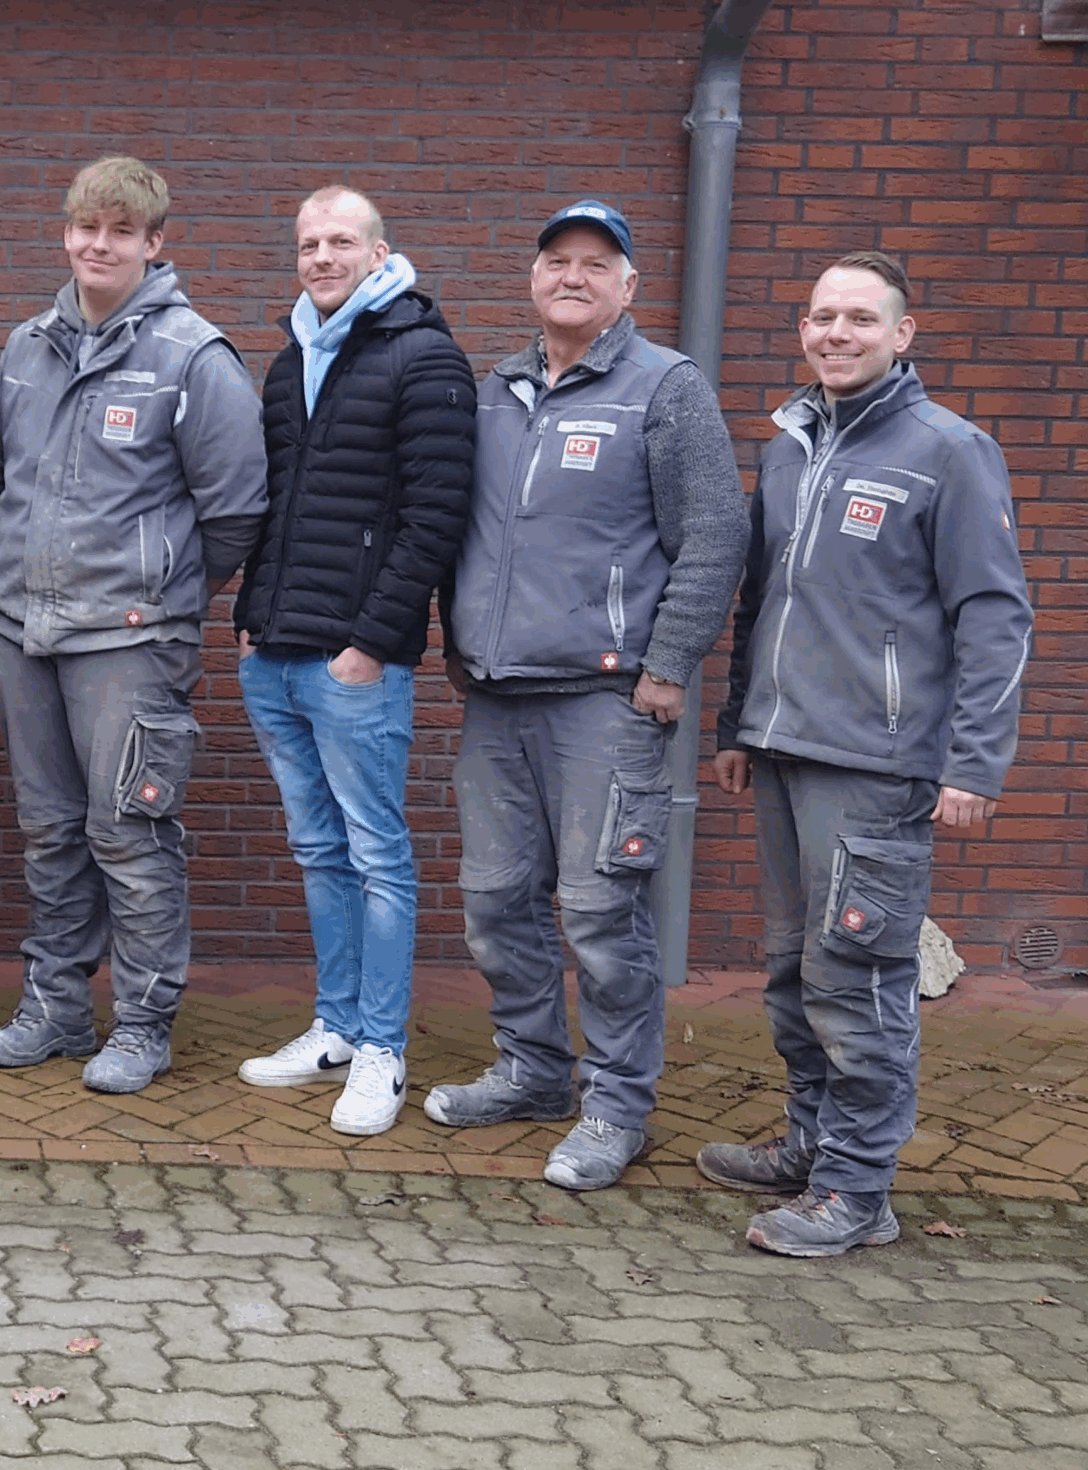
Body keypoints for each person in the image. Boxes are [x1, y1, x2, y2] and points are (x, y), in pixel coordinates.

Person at [706, 251, 1031, 1256]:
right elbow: (763, 600)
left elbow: (994, 616)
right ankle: (811, 1144)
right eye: (821, 317)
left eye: (858, 318)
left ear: (901, 334)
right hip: (782, 747)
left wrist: (974, 763)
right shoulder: (789, 446)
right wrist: (736, 723)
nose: (836, 334)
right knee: (792, 970)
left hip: (877, 765)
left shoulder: (950, 451)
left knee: (858, 975)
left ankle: (857, 1190)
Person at [427, 200, 748, 1190]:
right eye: (557, 261)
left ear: (627, 285)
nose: (572, 276)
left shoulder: (665, 388)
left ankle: (616, 1108)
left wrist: (668, 666)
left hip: (604, 703)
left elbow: (715, 536)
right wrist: (461, 641)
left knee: (602, 912)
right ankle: (532, 1071)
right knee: (494, 900)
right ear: (534, 278)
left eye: (595, 264)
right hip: (496, 698)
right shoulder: (497, 390)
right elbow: (464, 528)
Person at [0, 156, 268, 1095]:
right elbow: (9, 473)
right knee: (49, 831)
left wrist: (160, 591)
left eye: (121, 232)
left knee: (130, 833)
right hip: (25, 629)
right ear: (66, 234)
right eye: (86, 228)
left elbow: (235, 512)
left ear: (154, 243)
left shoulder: (192, 358)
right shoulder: (28, 346)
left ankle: (142, 1024)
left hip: (132, 639)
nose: (100, 245)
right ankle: (56, 1007)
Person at [233, 187, 476, 1136]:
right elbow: (277, 504)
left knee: (378, 856)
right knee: (319, 850)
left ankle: (382, 1048)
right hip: (277, 653)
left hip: (354, 664)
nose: (322, 257)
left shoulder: (423, 356)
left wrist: (371, 644)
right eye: (308, 244)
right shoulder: (292, 357)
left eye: (341, 241)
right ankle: (335, 1027)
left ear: (380, 253)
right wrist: (251, 618)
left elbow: (438, 516)